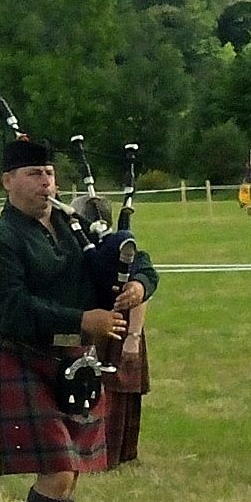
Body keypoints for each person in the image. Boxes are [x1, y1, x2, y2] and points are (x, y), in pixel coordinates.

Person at [0, 140, 158, 502]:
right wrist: (80, 320)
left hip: (77, 362)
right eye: (33, 174)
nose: (45, 182)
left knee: (70, 472)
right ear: (7, 182)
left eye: (49, 173)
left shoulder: (73, 223)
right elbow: (9, 308)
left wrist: (139, 285)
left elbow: (139, 258)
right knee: (58, 470)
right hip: (24, 357)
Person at [76, 197, 153, 470]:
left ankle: (117, 453)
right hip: (95, 327)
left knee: (118, 395)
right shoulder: (85, 249)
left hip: (121, 331)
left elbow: (141, 286)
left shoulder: (122, 250)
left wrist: (133, 337)